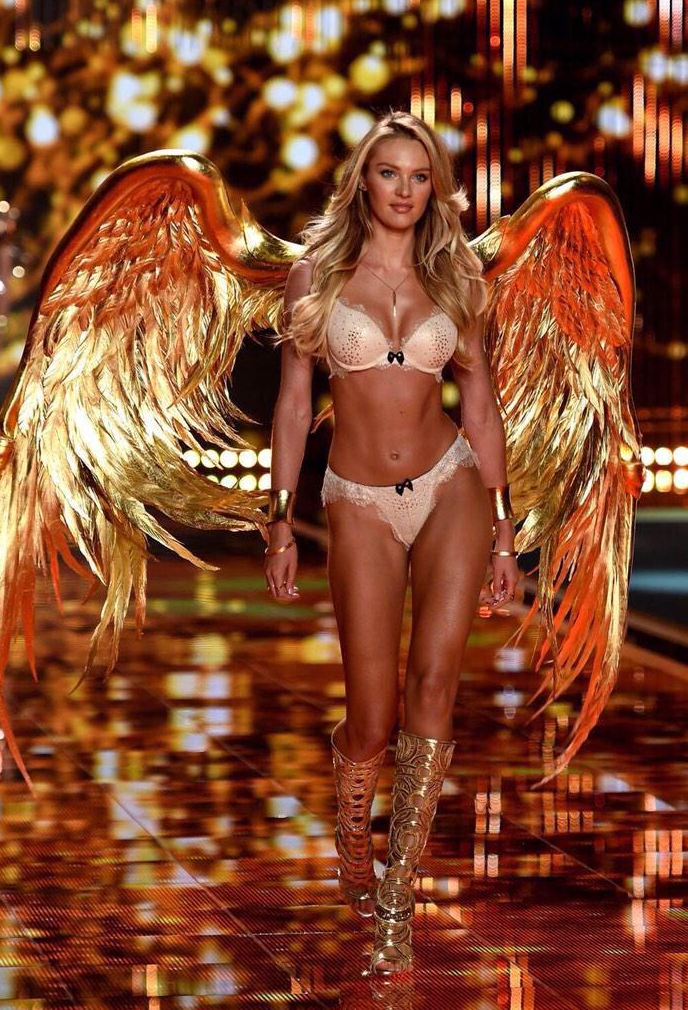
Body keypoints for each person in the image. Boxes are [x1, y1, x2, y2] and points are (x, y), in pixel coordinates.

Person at [262, 110, 521, 977]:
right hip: (359, 502)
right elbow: (294, 404)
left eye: (418, 176)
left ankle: (398, 901)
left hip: (451, 486)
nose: (404, 191)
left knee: (434, 685)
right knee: (372, 716)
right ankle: (352, 830)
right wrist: (279, 519)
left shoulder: (458, 276)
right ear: (363, 182)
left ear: (433, 187)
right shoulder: (316, 276)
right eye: (388, 173)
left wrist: (506, 530)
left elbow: (480, 406)